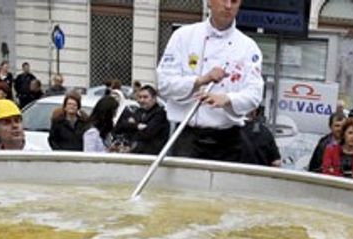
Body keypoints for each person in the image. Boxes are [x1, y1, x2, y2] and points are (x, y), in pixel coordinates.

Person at [156, 0, 263, 162]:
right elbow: (164, 84)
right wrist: (200, 80)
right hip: (186, 137)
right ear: (209, 2)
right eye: (223, 0)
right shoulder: (183, 37)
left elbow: (255, 94)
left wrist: (227, 99)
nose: (228, 6)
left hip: (228, 141)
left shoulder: (248, 47)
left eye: (234, 1)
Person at [113, 84, 169, 155]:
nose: (142, 100)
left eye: (145, 97)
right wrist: (136, 126)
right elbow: (119, 127)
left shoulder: (160, 114)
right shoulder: (139, 111)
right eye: (140, 97)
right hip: (135, 152)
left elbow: (147, 134)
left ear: (154, 98)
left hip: (150, 154)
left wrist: (131, 127)